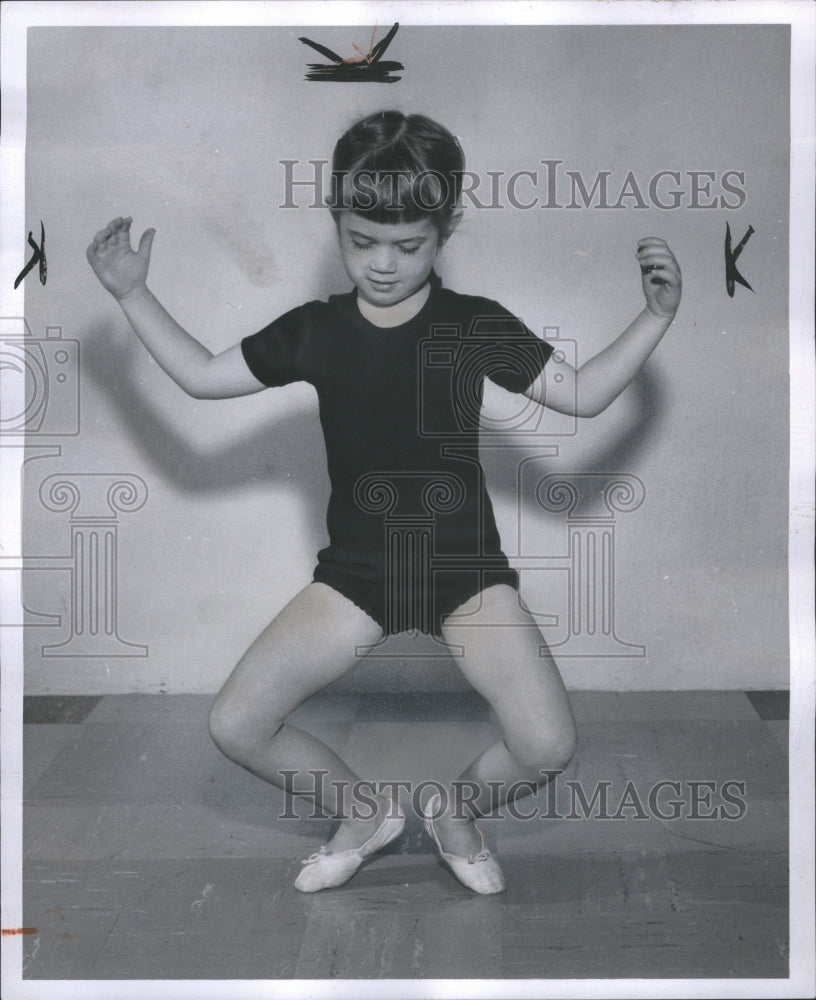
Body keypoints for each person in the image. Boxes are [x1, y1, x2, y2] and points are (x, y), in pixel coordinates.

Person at [87, 110, 681, 895]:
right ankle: (365, 814)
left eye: (409, 246)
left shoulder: (473, 326)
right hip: (360, 574)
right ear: (337, 221)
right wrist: (132, 294)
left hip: (465, 573)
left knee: (547, 744)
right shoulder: (317, 331)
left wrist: (656, 315)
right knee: (235, 723)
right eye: (362, 240)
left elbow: (583, 394)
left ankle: (454, 813)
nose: (383, 264)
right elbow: (200, 374)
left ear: (446, 229)